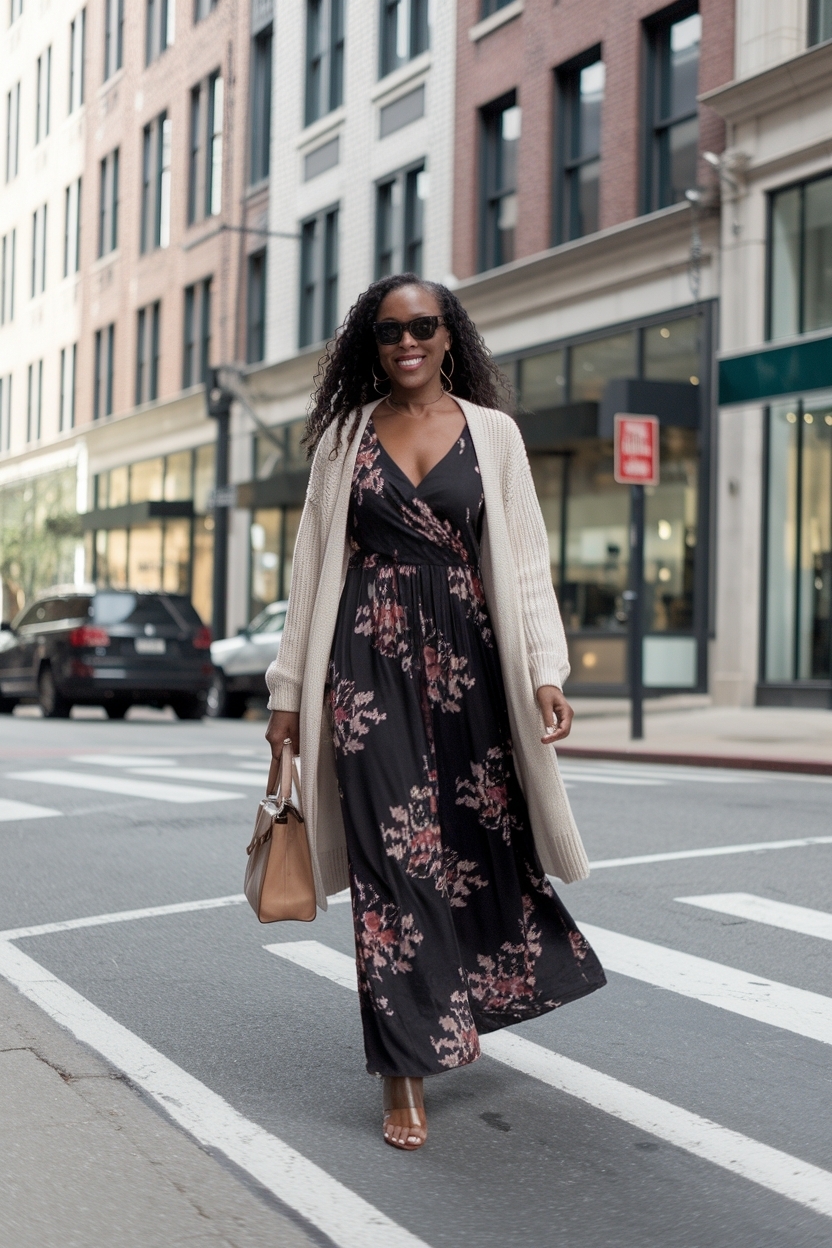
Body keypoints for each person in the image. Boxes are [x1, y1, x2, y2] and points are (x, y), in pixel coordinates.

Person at [265, 274, 605, 1151]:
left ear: (450, 336)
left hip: (472, 670)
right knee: (393, 867)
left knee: (478, 848)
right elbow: (308, 577)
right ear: (370, 345)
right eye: (389, 330)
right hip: (366, 667)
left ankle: (462, 997)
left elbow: (525, 563)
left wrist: (546, 674)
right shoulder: (343, 439)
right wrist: (288, 695)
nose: (407, 340)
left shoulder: (493, 434)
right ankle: (403, 1071)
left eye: (424, 325)